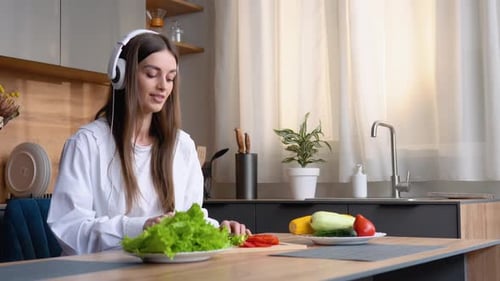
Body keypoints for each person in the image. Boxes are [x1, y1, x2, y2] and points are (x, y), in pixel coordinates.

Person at [47, 29, 250, 255]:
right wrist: (140, 227)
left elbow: (188, 218)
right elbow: (69, 229)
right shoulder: (87, 144)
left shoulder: (182, 146)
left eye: (170, 77)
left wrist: (218, 229)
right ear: (122, 76)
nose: (163, 86)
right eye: (152, 74)